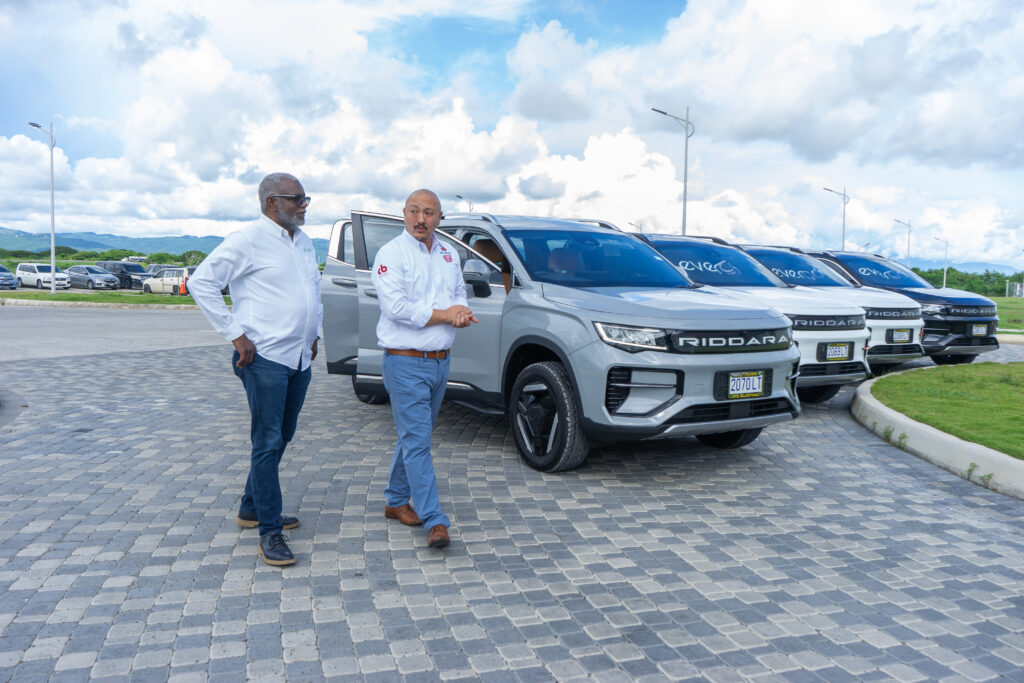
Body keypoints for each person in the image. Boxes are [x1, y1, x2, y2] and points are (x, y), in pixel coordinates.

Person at [188, 172, 322, 567]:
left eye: (305, 199)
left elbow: (311, 291)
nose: (303, 205)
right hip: (264, 358)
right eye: (296, 199)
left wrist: (313, 334)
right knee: (266, 441)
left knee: (283, 435)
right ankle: (269, 531)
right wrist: (235, 335)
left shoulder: (303, 242)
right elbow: (202, 283)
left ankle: (251, 506)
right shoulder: (248, 240)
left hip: (299, 357)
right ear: (270, 203)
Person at [371, 189, 477, 549]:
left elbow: (459, 291)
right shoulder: (391, 254)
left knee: (414, 437)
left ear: (439, 218)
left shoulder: (448, 253)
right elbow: (397, 307)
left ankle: (396, 499)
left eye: (429, 213)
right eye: (414, 211)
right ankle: (435, 519)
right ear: (403, 214)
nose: (421, 219)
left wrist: (460, 310)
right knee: (418, 442)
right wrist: (446, 315)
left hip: (439, 363)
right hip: (404, 362)